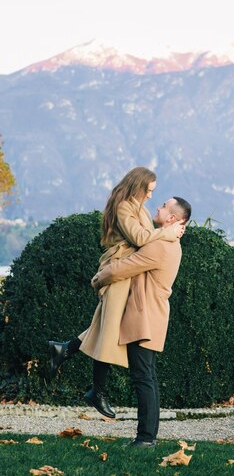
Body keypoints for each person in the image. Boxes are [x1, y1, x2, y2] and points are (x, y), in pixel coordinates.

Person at [48, 167, 184, 418]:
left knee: (105, 327)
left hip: (128, 273)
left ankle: (66, 350)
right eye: (150, 190)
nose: (152, 197)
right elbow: (141, 237)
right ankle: (96, 390)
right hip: (120, 270)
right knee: (108, 329)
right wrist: (167, 232)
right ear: (138, 185)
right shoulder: (123, 205)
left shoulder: (139, 207)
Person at [91, 196, 192, 448]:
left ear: (172, 218)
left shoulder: (161, 246)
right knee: (146, 376)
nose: (157, 207)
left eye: (163, 206)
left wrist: (97, 279)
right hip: (148, 315)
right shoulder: (166, 240)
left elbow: (120, 269)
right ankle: (147, 437)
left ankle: (146, 438)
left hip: (145, 318)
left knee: (143, 377)